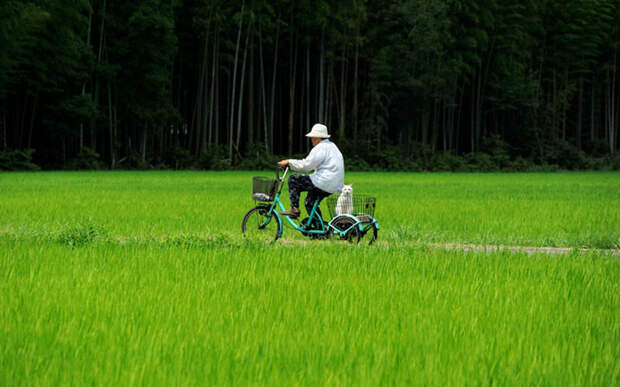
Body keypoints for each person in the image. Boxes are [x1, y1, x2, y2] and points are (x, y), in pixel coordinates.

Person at [277, 123, 344, 219]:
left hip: (323, 182)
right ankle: (320, 229)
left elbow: (307, 165)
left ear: (317, 138)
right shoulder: (333, 146)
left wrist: (289, 162)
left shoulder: (320, 148)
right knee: (309, 203)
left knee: (293, 179)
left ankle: (294, 209)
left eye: (312, 137)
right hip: (334, 185)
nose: (311, 140)